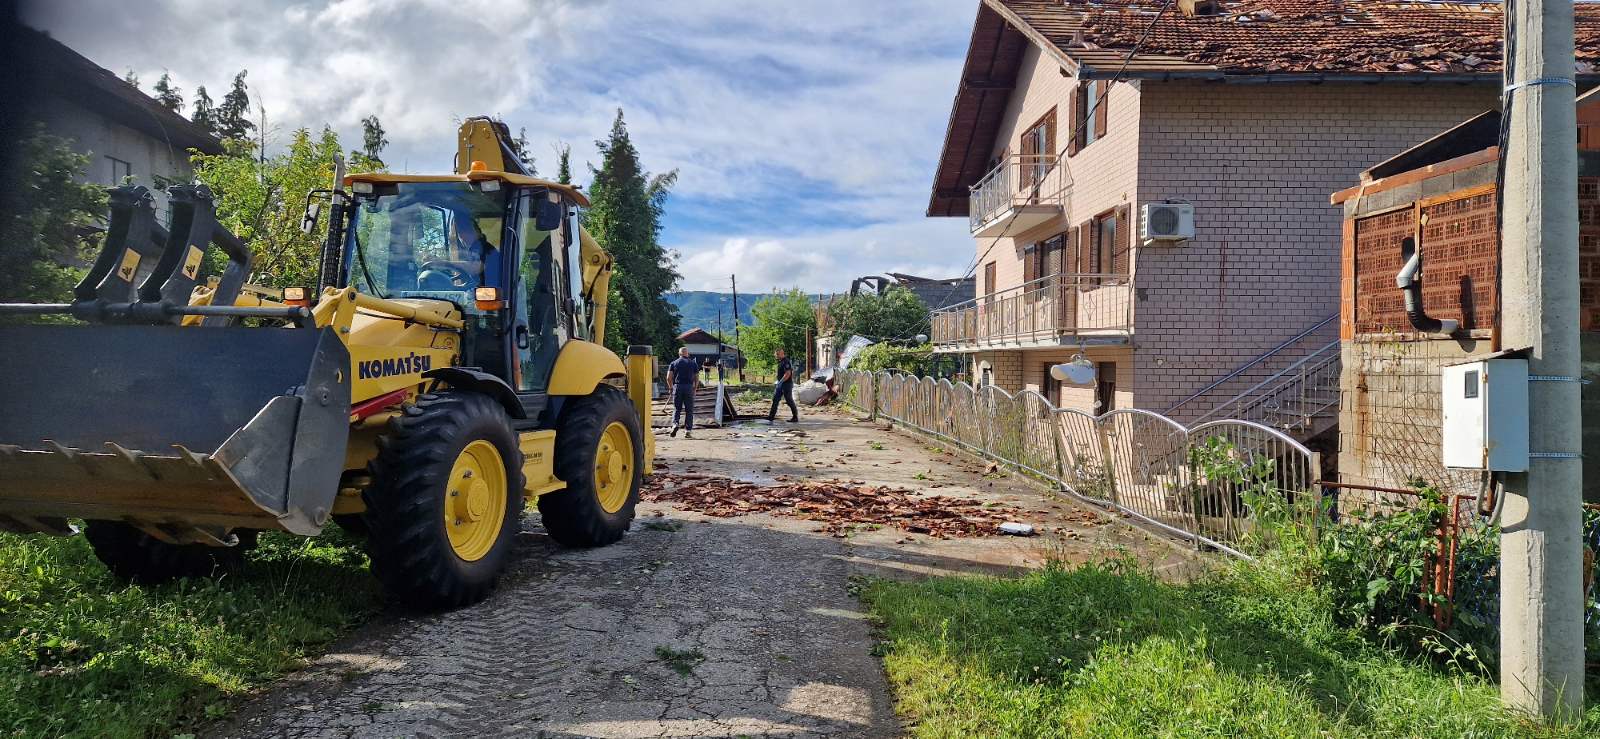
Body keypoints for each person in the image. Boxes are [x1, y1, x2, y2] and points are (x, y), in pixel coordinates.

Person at [666, 347, 700, 438]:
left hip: (678, 386)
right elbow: (697, 378)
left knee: (677, 408)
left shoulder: (674, 363)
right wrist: (695, 388)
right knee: (689, 410)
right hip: (689, 387)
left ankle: (675, 424)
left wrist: (670, 387)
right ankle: (688, 431)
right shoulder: (693, 363)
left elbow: (668, 377)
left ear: (679, 354)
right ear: (687, 354)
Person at [767, 347, 799, 423]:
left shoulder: (786, 361)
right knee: (775, 400)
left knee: (789, 400)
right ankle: (771, 417)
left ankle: (795, 417)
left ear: (782, 353)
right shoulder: (780, 361)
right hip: (780, 384)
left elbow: (788, 374)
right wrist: (778, 382)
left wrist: (780, 382)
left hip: (786, 384)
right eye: (776, 354)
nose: (776, 355)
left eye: (777, 354)